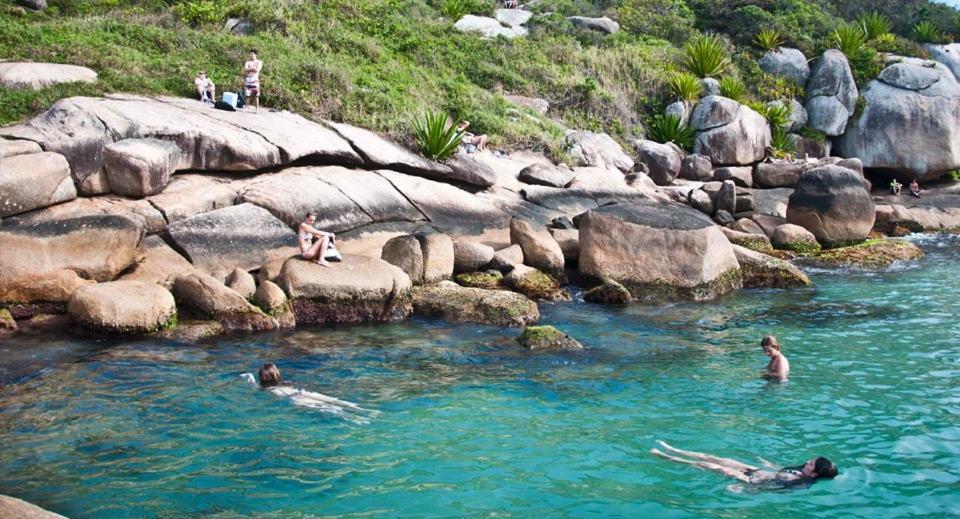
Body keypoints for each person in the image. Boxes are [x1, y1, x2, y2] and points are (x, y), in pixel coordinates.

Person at [650, 440, 838, 489]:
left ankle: (665, 457)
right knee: (715, 458)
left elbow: (772, 488)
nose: (807, 461)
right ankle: (674, 449)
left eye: (810, 463)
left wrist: (745, 487)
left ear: (814, 474)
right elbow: (781, 470)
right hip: (757, 470)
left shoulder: (801, 484)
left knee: (711, 466)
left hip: (751, 480)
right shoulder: (803, 470)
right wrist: (768, 464)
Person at [245, 363, 379, 423]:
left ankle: (357, 419)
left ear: (262, 378)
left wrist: (249, 377)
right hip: (301, 392)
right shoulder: (285, 382)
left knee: (328, 408)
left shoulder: (265, 389)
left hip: (294, 399)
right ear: (276, 374)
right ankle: (363, 410)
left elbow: (253, 385)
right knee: (333, 400)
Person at [243, 49, 263, 113]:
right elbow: (245, 69)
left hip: (255, 80)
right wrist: (252, 68)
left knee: (256, 95)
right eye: (250, 54)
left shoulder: (259, 62)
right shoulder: (248, 62)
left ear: (255, 54)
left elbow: (257, 70)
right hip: (248, 80)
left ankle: (257, 109)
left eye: (252, 54)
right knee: (247, 95)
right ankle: (246, 108)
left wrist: (250, 68)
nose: (251, 55)